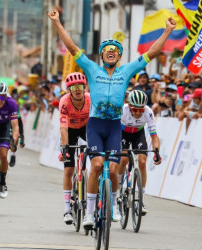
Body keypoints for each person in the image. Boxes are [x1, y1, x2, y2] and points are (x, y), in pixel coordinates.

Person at [48, 8, 176, 228]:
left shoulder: (126, 71)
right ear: (101, 55)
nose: (110, 52)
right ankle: (89, 213)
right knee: (97, 165)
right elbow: (71, 47)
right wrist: (58, 22)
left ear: (118, 56)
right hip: (96, 125)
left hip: (115, 127)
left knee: (115, 169)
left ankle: (115, 205)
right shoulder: (92, 69)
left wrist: (167, 31)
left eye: (114, 51)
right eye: (106, 50)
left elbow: (151, 54)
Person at [118, 90, 161, 215]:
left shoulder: (148, 112)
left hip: (138, 134)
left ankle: (141, 200)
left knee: (142, 161)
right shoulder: (123, 111)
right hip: (123, 134)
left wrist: (156, 152)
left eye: (140, 110)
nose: (138, 112)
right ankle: (119, 185)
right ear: (130, 107)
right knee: (124, 159)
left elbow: (154, 136)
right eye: (135, 109)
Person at [58, 72, 91, 224]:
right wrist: (65, 148)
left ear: (85, 87)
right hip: (70, 130)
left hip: (85, 128)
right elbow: (63, 128)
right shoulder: (64, 102)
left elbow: (95, 123)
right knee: (68, 169)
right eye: (73, 87)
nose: (77, 89)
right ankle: (67, 209)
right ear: (69, 90)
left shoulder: (90, 99)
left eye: (80, 86)